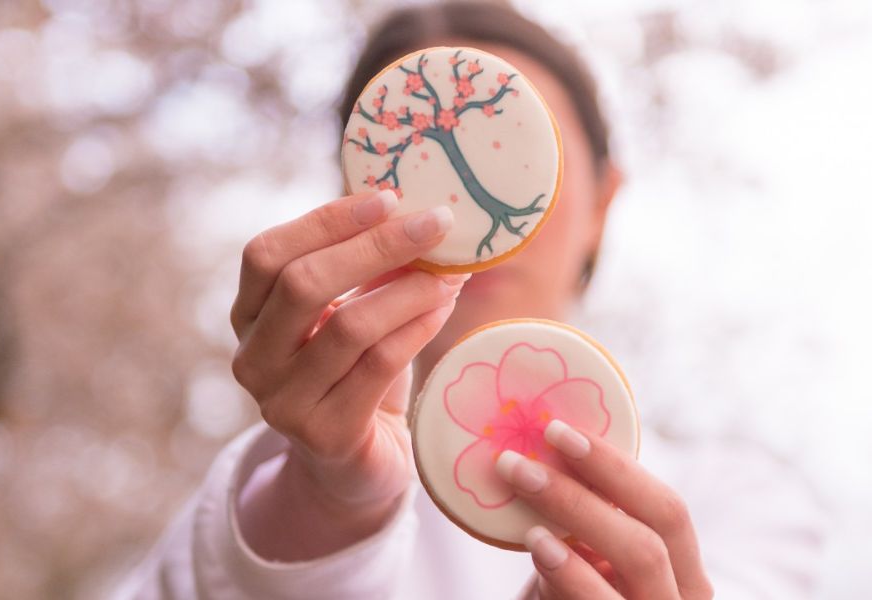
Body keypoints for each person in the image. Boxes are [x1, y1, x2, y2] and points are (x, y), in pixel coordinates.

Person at [117, 3, 824, 599]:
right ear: (352, 201)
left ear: (603, 204)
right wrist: (327, 495)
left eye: (514, 154)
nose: (461, 217)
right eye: (413, 170)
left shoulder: (739, 505)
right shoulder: (259, 501)